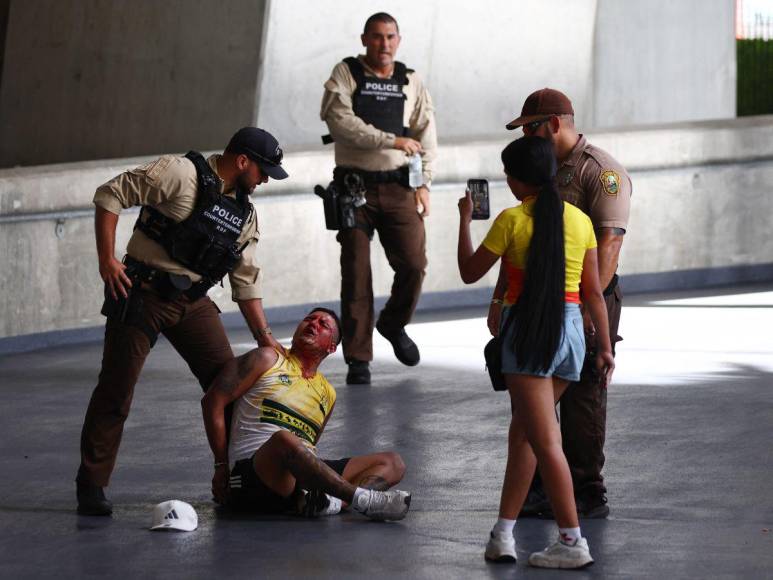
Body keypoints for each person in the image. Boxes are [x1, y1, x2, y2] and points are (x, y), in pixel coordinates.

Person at [76, 127, 288, 516]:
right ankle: (91, 483)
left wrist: (266, 340)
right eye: (262, 172)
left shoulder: (245, 214)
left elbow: (245, 281)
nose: (263, 181)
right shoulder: (180, 172)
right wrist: (106, 259)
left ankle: (237, 479)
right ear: (242, 161)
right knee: (116, 391)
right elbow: (111, 194)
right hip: (141, 293)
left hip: (192, 302)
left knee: (231, 386)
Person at [457, 136, 614, 568]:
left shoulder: (511, 220)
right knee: (523, 435)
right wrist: (603, 348)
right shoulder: (580, 221)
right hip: (570, 335)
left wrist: (465, 221)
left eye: (509, 174)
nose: (506, 181)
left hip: (529, 334)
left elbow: (470, 272)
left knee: (545, 441)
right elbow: (594, 294)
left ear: (520, 178)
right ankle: (503, 534)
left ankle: (572, 541)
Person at [497, 88, 631, 519]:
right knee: (533, 391)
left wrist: (587, 316)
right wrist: (500, 299)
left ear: (554, 123)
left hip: (584, 298)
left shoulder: (601, 172)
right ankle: (538, 487)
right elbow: (522, 237)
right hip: (537, 300)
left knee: (583, 393)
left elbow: (608, 246)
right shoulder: (542, 168)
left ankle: (587, 490)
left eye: (530, 128)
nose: (526, 139)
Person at [201, 308, 411, 521]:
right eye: (309, 319)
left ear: (331, 346)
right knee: (284, 439)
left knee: (393, 462)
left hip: (296, 476)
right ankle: (364, 500)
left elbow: (309, 445)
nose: (313, 324)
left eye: (323, 325)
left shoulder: (328, 393)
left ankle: (334, 502)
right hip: (253, 472)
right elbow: (212, 401)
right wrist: (221, 465)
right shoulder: (267, 358)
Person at [320, 12, 438, 385]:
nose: (383, 44)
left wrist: (425, 183)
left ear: (398, 41)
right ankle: (358, 359)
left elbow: (425, 134)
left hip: (401, 186)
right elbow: (341, 123)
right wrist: (390, 140)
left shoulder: (410, 80)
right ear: (364, 39)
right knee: (355, 272)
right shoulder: (346, 73)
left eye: (390, 37)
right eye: (376, 37)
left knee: (414, 264)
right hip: (354, 190)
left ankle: (393, 323)